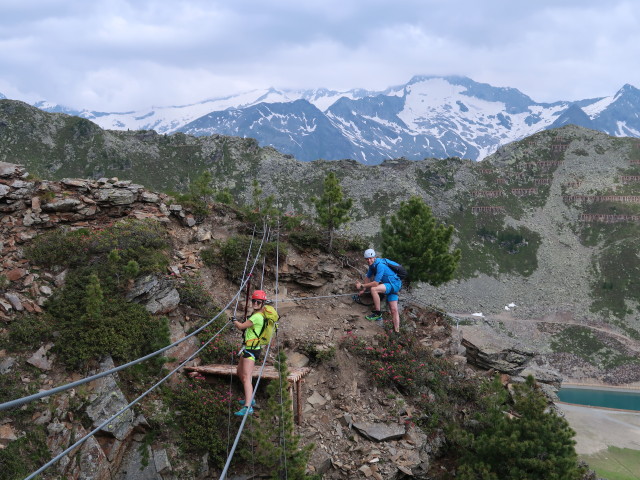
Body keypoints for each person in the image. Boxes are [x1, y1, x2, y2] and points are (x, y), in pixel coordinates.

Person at [233, 289, 268, 416]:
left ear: (262, 303)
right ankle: (250, 399)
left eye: (258, 302)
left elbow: (241, 326)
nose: (255, 303)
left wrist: (233, 320)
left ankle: (248, 406)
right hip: (249, 348)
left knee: (246, 377)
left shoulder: (257, 316)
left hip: (252, 349)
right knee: (240, 372)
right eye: (254, 301)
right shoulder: (258, 315)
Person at [355, 249, 402, 333]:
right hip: (390, 285)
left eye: (370, 258)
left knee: (374, 289)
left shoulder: (380, 265)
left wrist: (362, 285)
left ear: (374, 257)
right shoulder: (372, 266)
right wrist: (364, 289)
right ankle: (397, 331)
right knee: (394, 309)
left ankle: (378, 313)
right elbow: (367, 278)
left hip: (393, 285)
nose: (369, 260)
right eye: (367, 259)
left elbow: (376, 283)